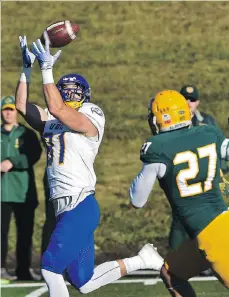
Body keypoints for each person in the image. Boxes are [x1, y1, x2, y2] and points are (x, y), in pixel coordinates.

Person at [15, 36, 164, 296]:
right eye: (66, 89)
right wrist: (26, 69)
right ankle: (142, 260)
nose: (71, 93)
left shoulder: (91, 114)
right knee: (83, 281)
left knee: (50, 268)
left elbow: (58, 109)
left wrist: (47, 69)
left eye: (76, 90)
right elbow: (21, 106)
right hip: (63, 206)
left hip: (80, 204)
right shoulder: (51, 119)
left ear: (85, 95)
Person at [130, 90, 229, 296]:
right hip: (214, 227)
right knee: (170, 273)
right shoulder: (208, 132)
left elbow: (137, 200)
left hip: (213, 236)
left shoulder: (157, 148)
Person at [1, 95, 42, 281]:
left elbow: (34, 154)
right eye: (5, 109)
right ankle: (1, 268)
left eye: (11, 109)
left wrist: (13, 161)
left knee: (25, 233)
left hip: (23, 191)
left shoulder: (27, 134)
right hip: (2, 192)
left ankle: (23, 270)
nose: (8, 113)